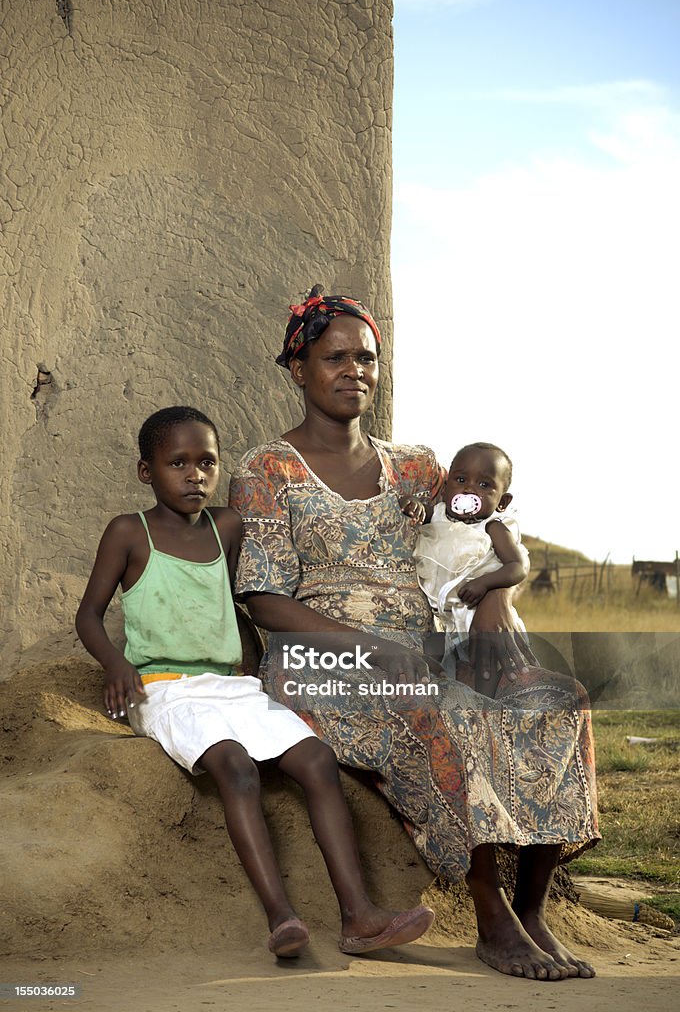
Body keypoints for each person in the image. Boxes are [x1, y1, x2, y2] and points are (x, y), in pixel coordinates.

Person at [229, 287, 600, 980]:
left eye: (366, 358)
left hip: (430, 649)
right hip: (322, 657)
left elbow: (474, 535)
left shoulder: (419, 466)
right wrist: (377, 648)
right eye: (334, 357)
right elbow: (263, 597)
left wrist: (494, 596)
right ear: (298, 368)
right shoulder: (266, 470)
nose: (355, 371)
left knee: (561, 700)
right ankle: (491, 919)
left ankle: (534, 908)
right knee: (432, 706)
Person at [75, 405, 435, 959]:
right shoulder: (129, 532)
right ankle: (282, 916)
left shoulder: (227, 528)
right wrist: (117, 666)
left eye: (207, 463)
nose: (194, 475)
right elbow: (89, 615)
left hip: (232, 686)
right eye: (178, 463)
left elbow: (245, 599)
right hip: (163, 686)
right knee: (236, 767)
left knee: (316, 759)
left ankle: (359, 916)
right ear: (147, 472)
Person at [402, 442, 529, 696]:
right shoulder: (438, 514)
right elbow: (419, 510)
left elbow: (517, 567)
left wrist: (486, 583)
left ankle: (486, 705)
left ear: (502, 501)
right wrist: (412, 505)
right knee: (439, 663)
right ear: (447, 486)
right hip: (445, 617)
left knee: (484, 659)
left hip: (477, 611)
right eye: (460, 479)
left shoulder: (493, 527)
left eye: (484, 485)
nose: (469, 489)